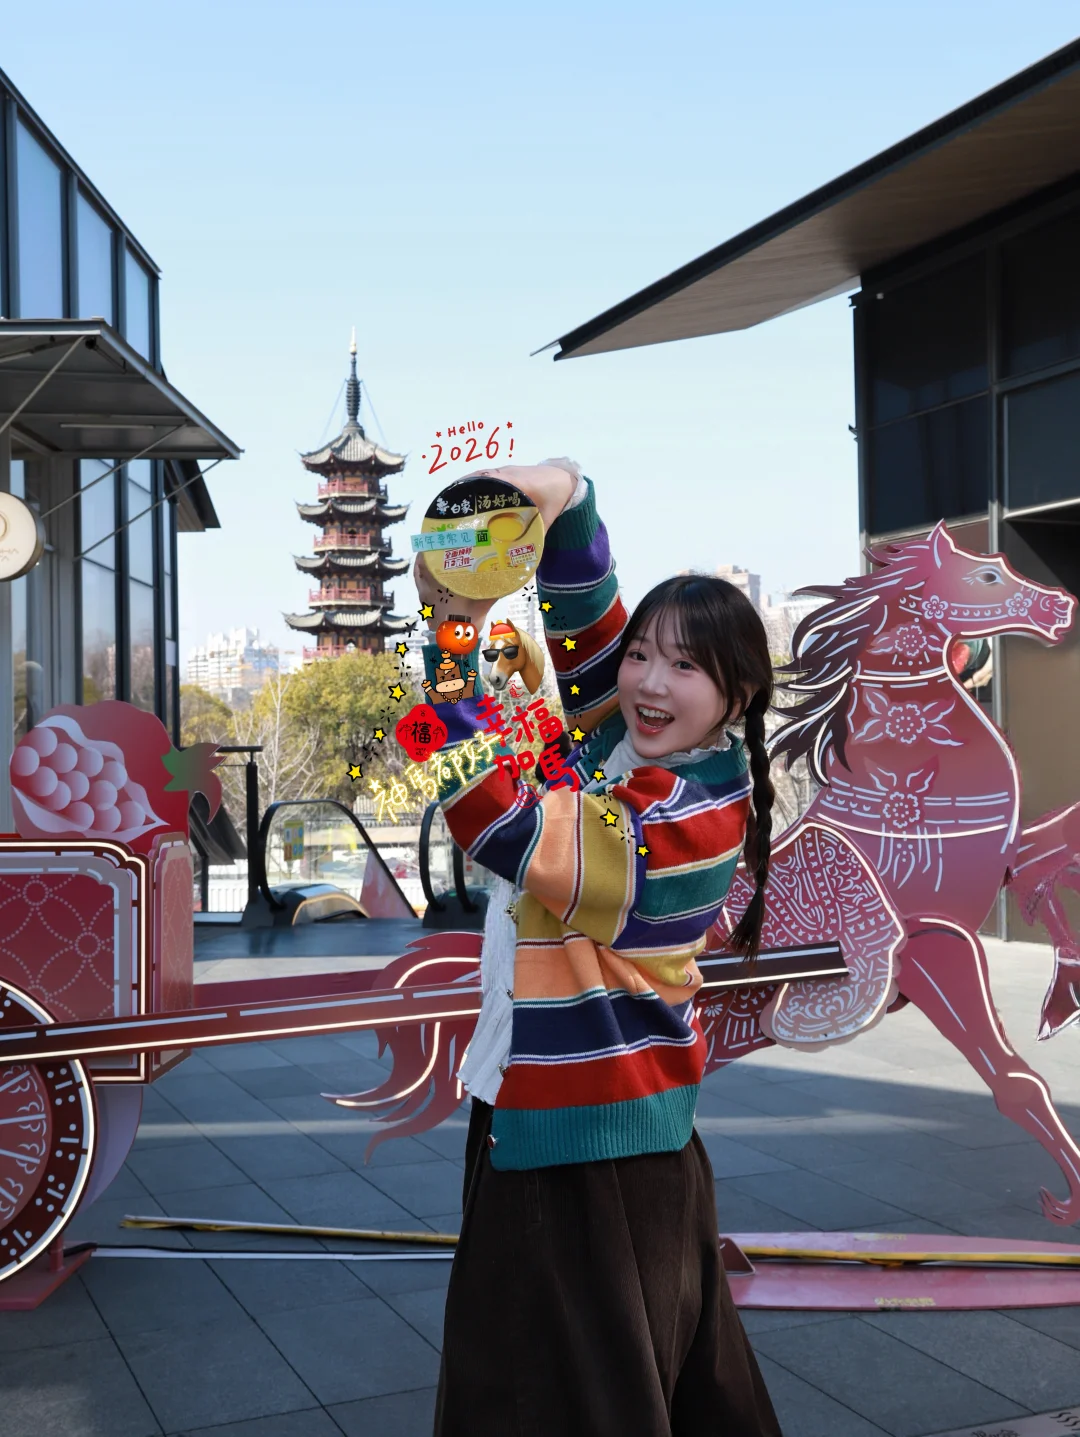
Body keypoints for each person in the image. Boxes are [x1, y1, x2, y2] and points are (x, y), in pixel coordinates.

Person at [415, 460, 782, 1437]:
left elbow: (501, 824)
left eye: (685, 667)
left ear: (739, 692)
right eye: (644, 655)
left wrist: (451, 638)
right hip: (586, 1124)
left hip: (587, 1157)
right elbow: (583, 618)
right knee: (658, 1390)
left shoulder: (681, 819)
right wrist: (563, 491)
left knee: (550, 1400)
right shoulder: (657, 746)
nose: (649, 681)